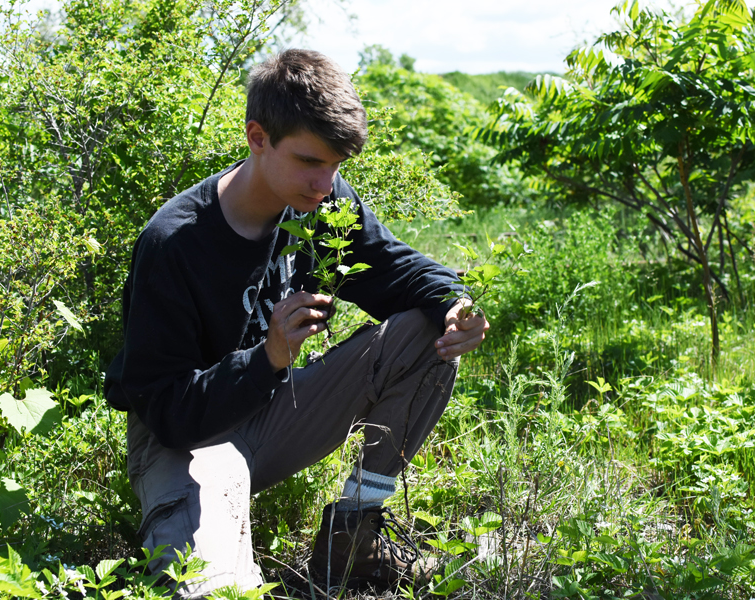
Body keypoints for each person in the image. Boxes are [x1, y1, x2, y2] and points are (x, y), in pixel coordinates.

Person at [103, 49, 490, 595]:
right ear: (257, 137)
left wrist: (454, 303)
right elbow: (165, 410)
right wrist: (267, 358)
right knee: (211, 590)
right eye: (310, 161)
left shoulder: (323, 203)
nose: (325, 183)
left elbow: (394, 268)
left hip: (274, 409)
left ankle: (353, 535)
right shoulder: (175, 242)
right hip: (185, 440)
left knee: (428, 334)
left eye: (336, 165)